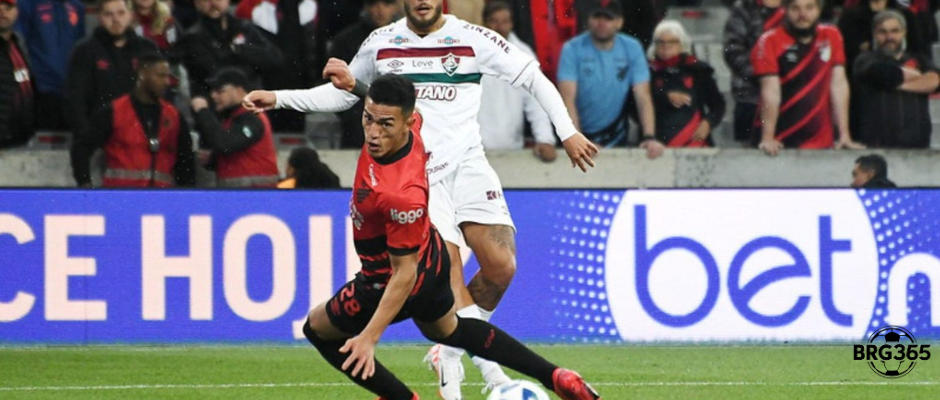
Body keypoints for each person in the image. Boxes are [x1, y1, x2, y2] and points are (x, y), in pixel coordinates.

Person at [242, 1, 599, 398]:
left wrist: (565, 131)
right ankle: (480, 379)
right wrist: (279, 98)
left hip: (467, 162)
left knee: (501, 267)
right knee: (448, 271)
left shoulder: (472, 37)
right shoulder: (382, 42)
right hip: (420, 175)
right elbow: (346, 95)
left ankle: (447, 352)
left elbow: (533, 77)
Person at [301, 73, 601, 400]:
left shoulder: (401, 194)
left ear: (406, 122)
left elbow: (404, 273)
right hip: (433, 259)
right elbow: (385, 108)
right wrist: (355, 85)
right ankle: (556, 376)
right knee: (450, 330)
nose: (373, 133)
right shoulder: (410, 128)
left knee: (317, 329)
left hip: (392, 278)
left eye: (385, 125)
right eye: (368, 120)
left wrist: (370, 337)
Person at [751, 0, 865, 156]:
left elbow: (838, 85)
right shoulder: (768, 41)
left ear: (819, 10)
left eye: (809, 8)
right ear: (785, 10)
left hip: (822, 141)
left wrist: (844, 135)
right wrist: (767, 137)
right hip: (780, 142)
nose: (802, 15)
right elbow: (770, 92)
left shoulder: (831, 35)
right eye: (795, 8)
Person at [70, 53, 194, 188]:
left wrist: (185, 197)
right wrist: (85, 185)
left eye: (168, 76)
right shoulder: (114, 112)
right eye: (161, 76)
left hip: (160, 203)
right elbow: (81, 148)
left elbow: (186, 161)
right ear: (142, 74)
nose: (167, 82)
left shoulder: (174, 116)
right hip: (120, 200)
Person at [558, 0, 663, 156]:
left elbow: (643, 96)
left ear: (619, 22)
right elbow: (567, 99)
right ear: (588, 20)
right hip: (579, 129)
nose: (602, 23)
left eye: (608, 18)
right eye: (597, 17)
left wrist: (649, 136)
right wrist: (577, 139)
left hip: (616, 131)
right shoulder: (572, 49)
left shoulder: (632, 47)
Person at [66, 0, 159, 139]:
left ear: (131, 15)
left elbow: (160, 92)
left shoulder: (147, 49)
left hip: (141, 136)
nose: (116, 20)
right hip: (100, 137)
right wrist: (86, 137)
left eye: (121, 13)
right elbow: (75, 99)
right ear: (99, 17)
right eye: (108, 14)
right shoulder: (84, 51)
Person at [479, 0, 556, 160]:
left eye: (505, 22)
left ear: (512, 23)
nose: (500, 27)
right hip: (474, 151)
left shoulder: (523, 55)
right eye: (494, 21)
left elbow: (536, 101)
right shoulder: (468, 53)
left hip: (512, 150)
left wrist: (545, 138)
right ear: (485, 22)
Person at [853, 10, 938, 149]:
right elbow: (885, 73)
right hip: (876, 145)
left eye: (895, 31)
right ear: (874, 34)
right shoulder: (864, 60)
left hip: (918, 145)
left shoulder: (920, 59)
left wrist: (894, 84)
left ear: (904, 32)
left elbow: (935, 81)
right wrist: (917, 79)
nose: (889, 37)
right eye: (883, 32)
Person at [234, 0, 318, 132]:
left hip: (299, 86)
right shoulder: (248, 7)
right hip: (264, 85)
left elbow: (316, 50)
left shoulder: (310, 6)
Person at [172, 0, 284, 98]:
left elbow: (275, 58)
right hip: (216, 105)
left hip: (253, 100)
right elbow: (215, 72)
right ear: (196, 3)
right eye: (206, 0)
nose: (213, 3)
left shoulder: (244, 27)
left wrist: (239, 50)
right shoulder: (192, 37)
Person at [329, 0, 401, 149]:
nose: (380, 10)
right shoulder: (345, 40)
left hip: (401, 110)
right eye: (374, 4)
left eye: (386, 4)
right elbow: (335, 85)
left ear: (396, 7)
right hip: (358, 115)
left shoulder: (412, 39)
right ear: (366, 7)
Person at [191, 67, 279, 187]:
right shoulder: (232, 119)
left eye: (220, 91)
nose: (213, 96)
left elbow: (225, 144)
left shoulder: (252, 117)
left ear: (239, 90)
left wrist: (203, 111)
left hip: (256, 198)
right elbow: (237, 154)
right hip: (240, 198)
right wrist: (213, 159)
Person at [648, 20, 725, 147]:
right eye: (661, 42)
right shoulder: (647, 71)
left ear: (682, 44)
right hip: (657, 144)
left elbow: (718, 105)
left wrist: (707, 123)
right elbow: (636, 105)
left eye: (672, 42)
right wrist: (664, 97)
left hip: (694, 140)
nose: (666, 46)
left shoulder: (698, 70)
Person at [14, 0, 84, 131]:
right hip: (41, 90)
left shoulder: (77, 6)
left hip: (72, 91)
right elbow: (17, 45)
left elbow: (80, 43)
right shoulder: (28, 5)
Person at [723, 0, 784, 144]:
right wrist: (765, 76)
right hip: (750, 98)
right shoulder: (744, 7)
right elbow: (732, 51)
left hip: (793, 99)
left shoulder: (798, 6)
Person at [838, 0, 921, 77]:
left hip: (906, 77)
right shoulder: (850, 18)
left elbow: (919, 53)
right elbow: (846, 58)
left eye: (895, 31)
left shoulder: (907, 16)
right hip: (863, 81)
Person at [0, 0, 34, 149]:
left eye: (8, 8)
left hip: (18, 137)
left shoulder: (18, 44)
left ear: (16, 12)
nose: (2, 13)